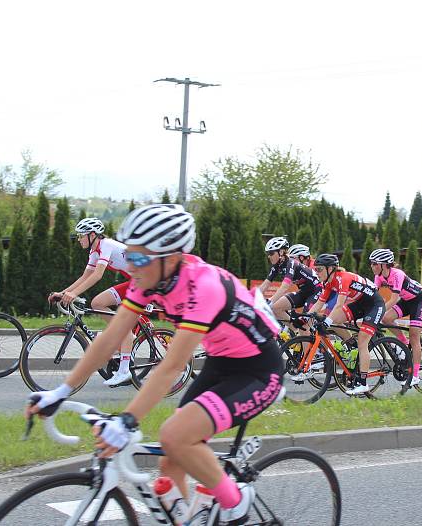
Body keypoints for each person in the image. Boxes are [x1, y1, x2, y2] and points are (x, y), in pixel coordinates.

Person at [27, 204, 284, 525]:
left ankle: (236, 500)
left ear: (170, 258)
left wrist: (128, 420)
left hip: (259, 371)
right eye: (129, 257)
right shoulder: (148, 277)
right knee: (169, 465)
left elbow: (172, 365)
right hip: (222, 362)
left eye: (137, 259)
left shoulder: (202, 287)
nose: (130, 267)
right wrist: (59, 391)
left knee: (174, 435)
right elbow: (109, 338)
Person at [49, 218, 135, 386]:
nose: (79, 239)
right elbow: (85, 276)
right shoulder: (94, 251)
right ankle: (121, 334)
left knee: (123, 324)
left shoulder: (107, 245)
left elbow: (97, 275)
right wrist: (64, 293)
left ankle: (124, 370)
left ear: (93, 235)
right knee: (97, 303)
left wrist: (73, 294)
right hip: (133, 281)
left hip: (144, 281)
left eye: (82, 236)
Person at [308, 253, 386, 395]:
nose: (316, 273)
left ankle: (363, 383)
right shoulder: (328, 282)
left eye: (319, 269)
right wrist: (306, 317)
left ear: (330, 268)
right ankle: (351, 345)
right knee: (333, 321)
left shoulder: (343, 278)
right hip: (361, 303)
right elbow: (319, 303)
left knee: (362, 341)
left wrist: (326, 321)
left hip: (375, 304)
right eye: (315, 270)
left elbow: (338, 305)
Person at [369, 248, 422, 388]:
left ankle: (415, 375)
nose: (371, 266)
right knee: (386, 319)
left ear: (384, 264)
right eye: (371, 263)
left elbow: (393, 299)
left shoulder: (397, 274)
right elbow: (373, 296)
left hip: (418, 301)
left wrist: (378, 310)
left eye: (374, 263)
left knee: (414, 337)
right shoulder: (379, 276)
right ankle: (403, 342)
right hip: (406, 301)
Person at [257, 237, 322, 323]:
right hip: (304, 292)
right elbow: (265, 284)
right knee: (275, 308)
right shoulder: (277, 265)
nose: (269, 256)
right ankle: (295, 331)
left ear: (280, 252)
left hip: (316, 291)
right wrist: (252, 298)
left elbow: (284, 286)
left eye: (271, 253)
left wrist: (270, 301)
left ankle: (306, 335)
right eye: (268, 253)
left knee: (305, 323)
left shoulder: (291, 263)